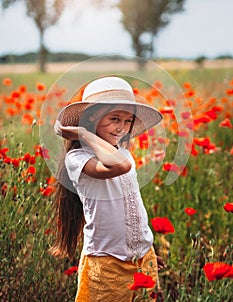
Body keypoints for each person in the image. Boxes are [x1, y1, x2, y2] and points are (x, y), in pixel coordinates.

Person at [50, 76, 163, 302]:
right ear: (92, 118)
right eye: (114, 119)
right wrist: (83, 134)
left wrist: (146, 246)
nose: (121, 128)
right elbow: (119, 166)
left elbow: (134, 205)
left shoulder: (122, 152)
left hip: (142, 257)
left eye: (127, 121)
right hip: (107, 263)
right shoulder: (78, 158)